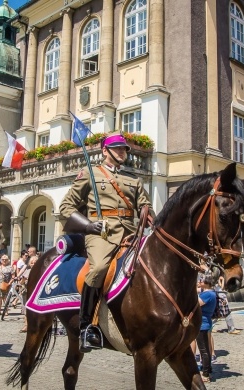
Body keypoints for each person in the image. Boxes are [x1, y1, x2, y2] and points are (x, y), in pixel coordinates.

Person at [59, 133, 154, 352]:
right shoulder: (90, 174)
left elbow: (145, 206)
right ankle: (87, 327)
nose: (123, 152)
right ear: (105, 151)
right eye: (118, 149)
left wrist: (151, 218)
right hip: (101, 232)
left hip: (131, 232)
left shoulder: (133, 179)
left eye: (124, 149)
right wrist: (87, 226)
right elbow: (66, 207)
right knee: (100, 267)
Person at [196, 272, 217, 383]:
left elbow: (196, 304)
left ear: (207, 283)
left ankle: (205, 373)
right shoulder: (211, 293)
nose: (200, 282)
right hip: (205, 322)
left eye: (202, 280)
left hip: (202, 324)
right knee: (206, 349)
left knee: (203, 350)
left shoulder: (207, 295)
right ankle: (208, 368)